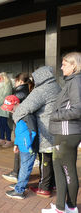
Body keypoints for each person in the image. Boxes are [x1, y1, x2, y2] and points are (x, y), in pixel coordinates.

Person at [13, 66, 61, 198]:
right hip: (56, 129)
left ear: (40, 77)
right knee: (52, 158)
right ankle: (53, 184)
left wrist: (16, 118)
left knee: (45, 158)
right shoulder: (57, 87)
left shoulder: (41, 90)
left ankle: (44, 188)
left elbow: (23, 109)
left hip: (45, 130)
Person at [42, 52, 81, 213]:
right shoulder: (71, 81)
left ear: (74, 65)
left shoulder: (76, 82)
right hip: (62, 133)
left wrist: (55, 115)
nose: (61, 67)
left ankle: (71, 207)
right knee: (59, 168)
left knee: (68, 170)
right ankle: (60, 207)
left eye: (65, 64)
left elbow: (77, 110)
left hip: (67, 134)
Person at [1, 95, 39, 200]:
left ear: (18, 104)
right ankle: (20, 185)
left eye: (12, 108)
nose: (11, 111)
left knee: (25, 168)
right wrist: (16, 144)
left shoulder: (27, 115)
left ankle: (19, 190)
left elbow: (33, 131)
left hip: (28, 147)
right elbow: (19, 131)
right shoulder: (19, 114)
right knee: (23, 167)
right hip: (23, 146)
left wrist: (28, 144)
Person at [2, 72, 33, 182]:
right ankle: (17, 172)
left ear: (20, 81)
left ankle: (17, 172)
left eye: (15, 81)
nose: (14, 83)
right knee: (21, 147)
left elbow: (14, 108)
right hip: (24, 123)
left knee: (19, 147)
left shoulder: (20, 93)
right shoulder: (28, 90)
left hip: (21, 123)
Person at [0, 72, 13, 147]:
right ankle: (1, 139)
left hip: (3, 107)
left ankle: (9, 140)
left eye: (0, 77)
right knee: (0, 124)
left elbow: (5, 96)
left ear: (4, 78)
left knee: (5, 124)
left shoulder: (7, 85)